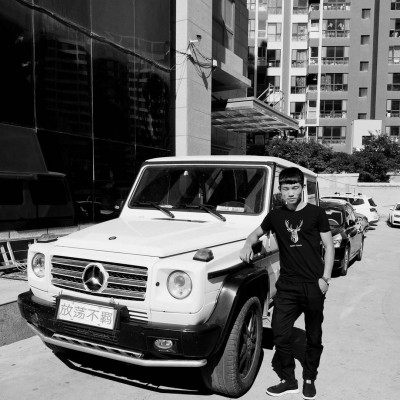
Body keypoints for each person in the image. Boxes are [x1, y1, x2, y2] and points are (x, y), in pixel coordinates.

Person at [240, 167, 334, 400]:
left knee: (314, 336)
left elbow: (329, 246)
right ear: (279, 190)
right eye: (285, 188)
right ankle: (289, 380)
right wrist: (247, 244)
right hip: (287, 286)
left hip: (313, 284)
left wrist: (325, 278)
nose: (290, 193)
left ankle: (309, 377)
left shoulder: (316, 213)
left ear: (302, 188)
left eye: (294, 187)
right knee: (280, 334)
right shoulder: (275, 216)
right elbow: (255, 234)